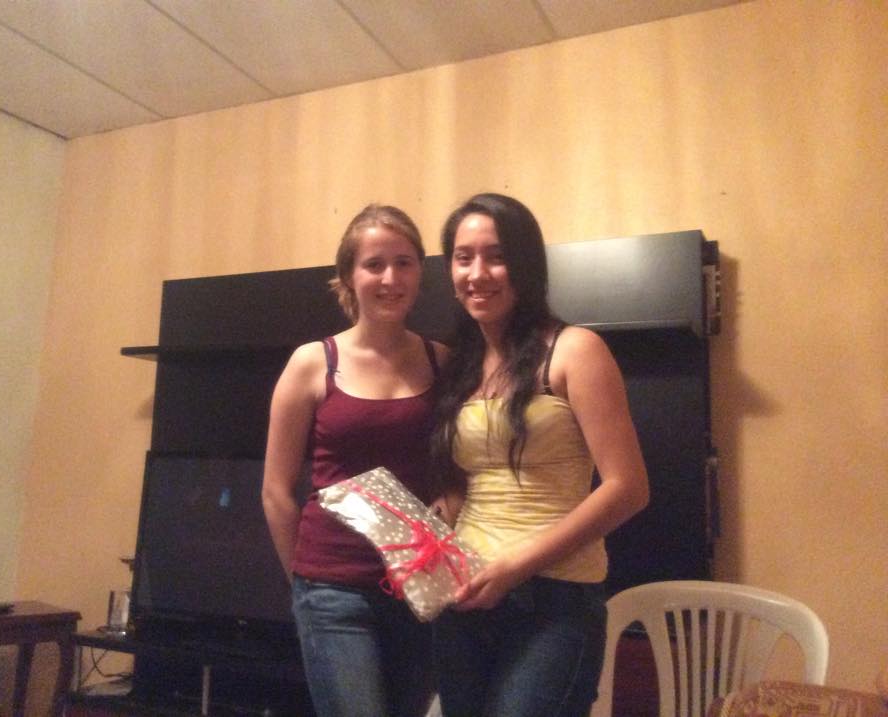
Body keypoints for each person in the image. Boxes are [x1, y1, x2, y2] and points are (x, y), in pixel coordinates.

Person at [430, 193, 650, 717]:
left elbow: (628, 489)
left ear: (526, 265)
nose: (477, 273)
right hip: (465, 594)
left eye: (496, 256)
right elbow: (468, 481)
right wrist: (430, 533)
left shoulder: (575, 349)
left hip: (555, 601)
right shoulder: (459, 364)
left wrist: (515, 566)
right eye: (463, 258)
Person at [262, 204, 446, 717]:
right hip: (333, 591)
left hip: (419, 590)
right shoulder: (311, 363)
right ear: (348, 276)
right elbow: (276, 491)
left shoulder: (444, 362)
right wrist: (304, 581)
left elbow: (462, 466)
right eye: (374, 264)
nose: (390, 278)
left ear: (419, 272)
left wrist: (450, 502)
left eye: (404, 263)